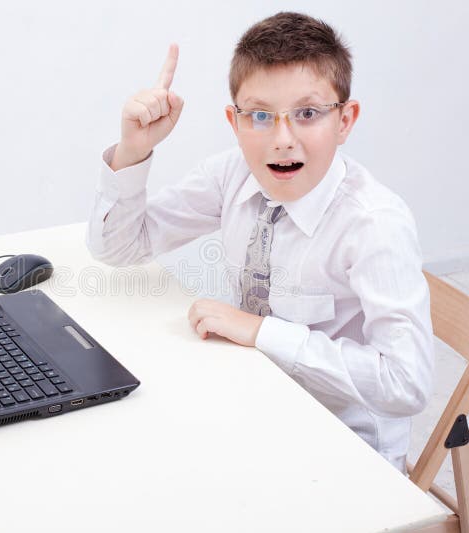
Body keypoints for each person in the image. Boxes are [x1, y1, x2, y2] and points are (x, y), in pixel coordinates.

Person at [85, 11, 434, 472]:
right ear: (234, 121)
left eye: (307, 113)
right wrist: (133, 150)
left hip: (344, 446)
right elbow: (119, 247)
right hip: (254, 400)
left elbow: (406, 382)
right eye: (261, 116)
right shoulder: (231, 174)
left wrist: (262, 333)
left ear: (345, 120)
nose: (281, 140)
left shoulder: (374, 225)